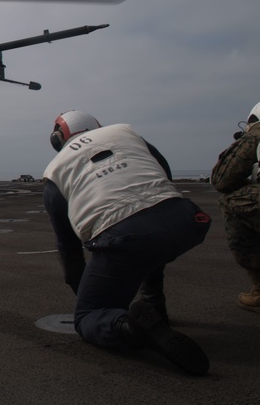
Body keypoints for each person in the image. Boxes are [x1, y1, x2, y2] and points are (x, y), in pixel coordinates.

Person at [42, 111, 212, 375]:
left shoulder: (55, 170)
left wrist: (85, 293)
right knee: (148, 245)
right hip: (187, 221)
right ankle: (155, 309)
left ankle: (131, 328)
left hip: (124, 237)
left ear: (57, 138)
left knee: (87, 317)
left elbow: (68, 247)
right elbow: (163, 174)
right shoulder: (127, 134)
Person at [210, 101, 260, 312]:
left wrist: (252, 135)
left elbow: (222, 179)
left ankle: (259, 289)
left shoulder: (256, 134)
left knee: (230, 200)